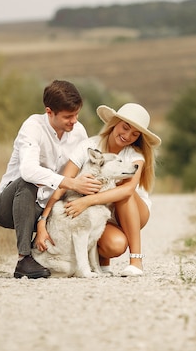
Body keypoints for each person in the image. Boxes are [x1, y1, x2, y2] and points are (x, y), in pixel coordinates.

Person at [35, 102, 161, 277]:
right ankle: (101, 264)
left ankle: (136, 261)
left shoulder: (134, 156)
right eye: (125, 128)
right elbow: (64, 183)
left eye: (135, 134)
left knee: (125, 191)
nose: (127, 136)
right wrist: (43, 219)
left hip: (132, 211)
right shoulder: (88, 146)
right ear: (114, 123)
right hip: (102, 213)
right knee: (115, 244)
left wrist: (86, 201)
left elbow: (127, 190)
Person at [0, 80, 102, 279]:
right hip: (9, 206)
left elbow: (82, 170)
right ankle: (23, 259)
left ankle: (73, 257)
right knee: (29, 182)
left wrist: (45, 220)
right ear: (49, 112)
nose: (74, 120)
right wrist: (70, 182)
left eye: (77, 114)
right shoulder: (32, 127)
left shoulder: (78, 132)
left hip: (46, 209)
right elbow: (28, 171)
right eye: (68, 116)